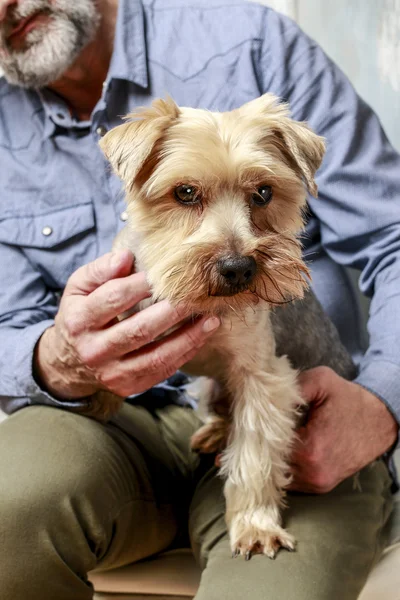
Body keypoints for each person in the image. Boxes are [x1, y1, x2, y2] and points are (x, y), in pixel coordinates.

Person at [0, 0, 399, 598]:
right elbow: (8, 320)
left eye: (262, 193)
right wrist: (56, 358)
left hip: (304, 408)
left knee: (272, 589)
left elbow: (393, 231)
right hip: (115, 421)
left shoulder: (249, 40)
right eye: (187, 194)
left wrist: (383, 400)